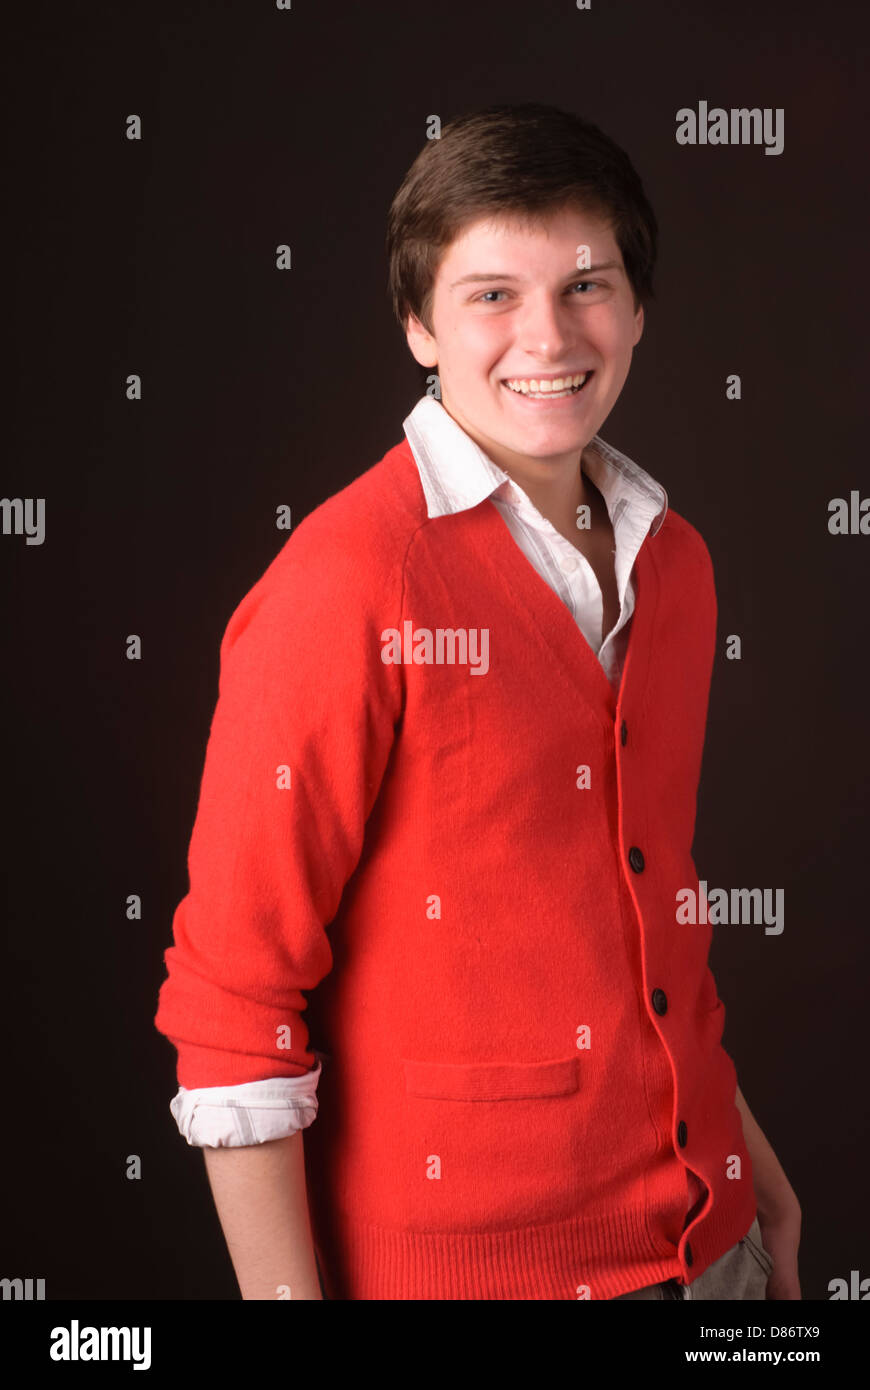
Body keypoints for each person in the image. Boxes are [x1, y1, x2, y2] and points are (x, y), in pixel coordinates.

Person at [154, 102, 801, 1301]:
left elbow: (641, 905)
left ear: (639, 306)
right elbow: (234, 1001)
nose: (547, 334)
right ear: (417, 325)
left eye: (587, 284)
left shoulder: (678, 563)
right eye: (492, 294)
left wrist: (748, 1166)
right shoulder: (349, 579)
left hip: (722, 1255)